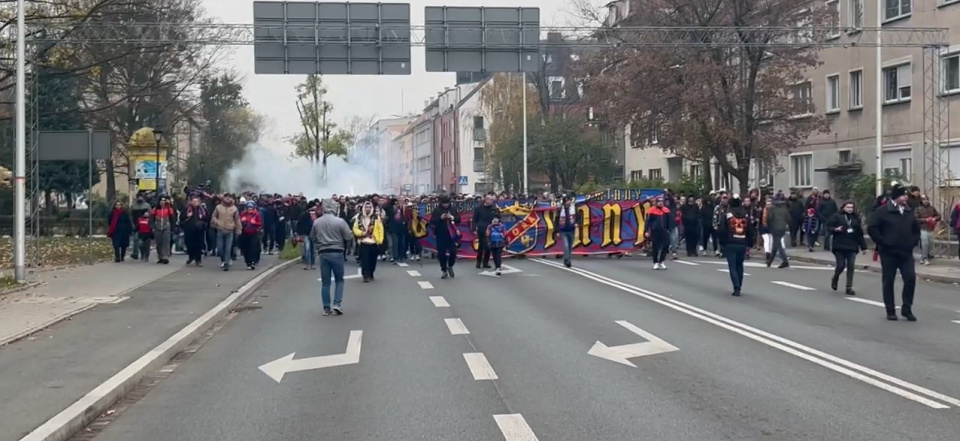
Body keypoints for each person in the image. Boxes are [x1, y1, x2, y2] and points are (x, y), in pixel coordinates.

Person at [867, 183, 921, 321]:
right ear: (896, 196)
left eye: (906, 196)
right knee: (888, 280)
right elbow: (872, 228)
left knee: (910, 279)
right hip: (888, 252)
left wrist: (913, 242)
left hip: (906, 252)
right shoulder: (883, 211)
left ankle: (907, 308)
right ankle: (890, 310)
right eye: (903, 195)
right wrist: (883, 241)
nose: (905, 198)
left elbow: (916, 229)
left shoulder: (909, 211)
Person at [311, 198, 355, 316]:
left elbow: (313, 236)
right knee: (339, 280)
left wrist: (319, 243)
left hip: (323, 252)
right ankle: (337, 304)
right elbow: (348, 237)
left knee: (325, 282)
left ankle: (326, 307)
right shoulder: (340, 222)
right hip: (337, 251)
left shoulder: (317, 222)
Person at [826, 202, 868, 295]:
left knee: (851, 266)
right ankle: (835, 277)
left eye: (851, 207)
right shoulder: (837, 216)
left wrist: (864, 247)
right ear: (844, 207)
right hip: (839, 245)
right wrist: (835, 229)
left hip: (852, 246)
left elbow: (859, 234)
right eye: (848, 207)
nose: (850, 209)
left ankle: (849, 287)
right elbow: (828, 226)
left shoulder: (855, 218)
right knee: (840, 265)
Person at [717, 194, 753, 297]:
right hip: (742, 243)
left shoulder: (727, 215)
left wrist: (723, 243)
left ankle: (736, 286)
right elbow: (750, 230)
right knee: (739, 265)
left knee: (732, 266)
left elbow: (722, 230)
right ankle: (739, 285)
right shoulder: (745, 214)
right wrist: (749, 243)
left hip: (730, 243)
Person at [430, 195, 461, 279]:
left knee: (453, 252)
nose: (446, 205)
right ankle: (444, 270)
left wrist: (451, 217)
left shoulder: (453, 209)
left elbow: (458, 219)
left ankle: (450, 266)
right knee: (441, 253)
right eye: (444, 203)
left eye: (447, 203)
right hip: (441, 234)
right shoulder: (437, 210)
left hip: (452, 234)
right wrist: (441, 218)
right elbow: (432, 221)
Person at [353, 201, 385, 282]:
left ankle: (371, 273)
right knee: (364, 260)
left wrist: (380, 240)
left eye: (369, 207)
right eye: (366, 207)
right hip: (363, 242)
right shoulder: (359, 217)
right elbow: (355, 228)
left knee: (372, 260)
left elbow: (380, 229)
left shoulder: (376, 217)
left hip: (374, 242)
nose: (368, 209)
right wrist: (362, 233)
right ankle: (365, 275)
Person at [211, 193, 242, 271]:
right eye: (226, 197)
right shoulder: (218, 207)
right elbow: (214, 216)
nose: (228, 199)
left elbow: (237, 219)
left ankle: (226, 263)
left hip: (230, 230)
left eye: (229, 197)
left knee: (228, 248)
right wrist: (215, 221)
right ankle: (223, 260)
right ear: (223, 198)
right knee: (220, 248)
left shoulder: (234, 208)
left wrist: (239, 229)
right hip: (220, 230)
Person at [644, 196, 671, 270]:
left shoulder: (666, 211)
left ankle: (661, 261)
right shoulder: (651, 211)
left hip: (664, 230)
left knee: (666, 245)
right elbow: (648, 222)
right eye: (659, 202)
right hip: (655, 230)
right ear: (656, 202)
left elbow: (669, 221)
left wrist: (668, 229)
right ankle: (655, 262)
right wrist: (646, 231)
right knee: (655, 247)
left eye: (662, 202)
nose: (660, 203)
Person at [180, 196, 208, 266]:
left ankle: (198, 260)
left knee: (198, 245)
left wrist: (203, 220)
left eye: (196, 201)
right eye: (193, 201)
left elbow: (207, 218)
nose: (195, 203)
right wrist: (187, 216)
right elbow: (181, 218)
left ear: (199, 202)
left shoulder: (202, 210)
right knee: (189, 244)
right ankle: (191, 256)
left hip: (199, 230)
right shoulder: (187, 209)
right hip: (189, 229)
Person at [152, 196, 177, 264]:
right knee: (159, 243)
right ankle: (160, 257)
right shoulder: (155, 209)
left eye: (164, 201)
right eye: (161, 200)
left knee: (166, 243)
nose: (162, 202)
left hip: (166, 228)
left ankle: (166, 257)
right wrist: (153, 227)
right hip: (158, 228)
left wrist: (173, 228)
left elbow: (173, 220)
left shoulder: (169, 209)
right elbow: (151, 219)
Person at [239, 201, 264, 270]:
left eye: (251, 207)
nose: (249, 209)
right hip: (245, 233)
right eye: (248, 207)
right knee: (246, 248)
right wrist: (242, 221)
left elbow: (260, 223)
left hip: (254, 233)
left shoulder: (257, 214)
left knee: (253, 247)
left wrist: (255, 223)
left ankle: (253, 261)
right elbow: (239, 222)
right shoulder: (243, 214)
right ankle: (248, 262)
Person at [555, 195, 577, 267]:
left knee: (570, 246)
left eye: (570, 200)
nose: (569, 202)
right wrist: (557, 231)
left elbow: (579, 216)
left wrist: (577, 223)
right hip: (563, 230)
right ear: (564, 202)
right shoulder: (561, 209)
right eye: (567, 200)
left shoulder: (574, 208)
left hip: (571, 230)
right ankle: (568, 261)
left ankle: (566, 259)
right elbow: (556, 220)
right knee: (566, 245)